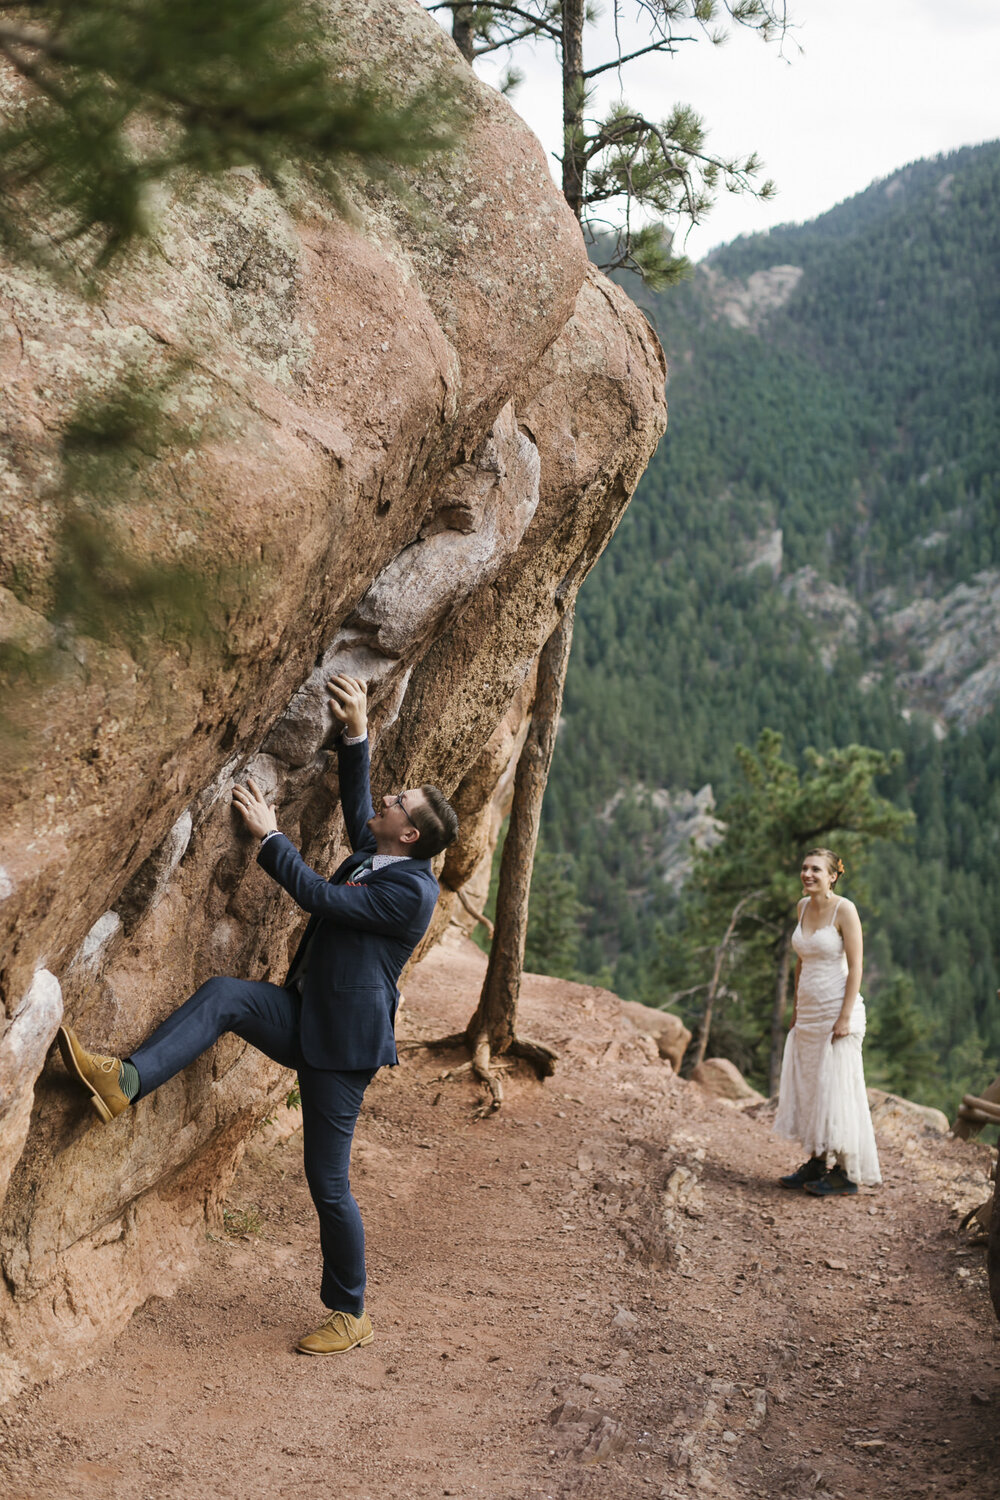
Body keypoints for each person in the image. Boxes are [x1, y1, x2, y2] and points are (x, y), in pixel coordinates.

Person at [56, 674, 458, 1355]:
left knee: (328, 1186)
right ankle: (123, 1083)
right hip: (306, 1017)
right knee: (225, 996)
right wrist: (357, 732)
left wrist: (271, 838)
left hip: (343, 1050)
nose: (387, 801)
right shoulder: (383, 854)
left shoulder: (411, 894)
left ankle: (350, 1312)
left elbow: (320, 899)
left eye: (398, 803)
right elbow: (361, 816)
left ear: (410, 832)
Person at [773, 847, 881, 1196]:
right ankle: (817, 1162)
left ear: (833, 875)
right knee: (811, 1086)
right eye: (804, 868)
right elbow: (801, 962)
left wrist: (845, 1016)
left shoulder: (844, 909)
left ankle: (847, 1174)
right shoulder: (802, 907)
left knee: (838, 1088)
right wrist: (795, 1009)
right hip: (808, 1012)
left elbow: (857, 966)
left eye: (816, 870)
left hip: (837, 1009)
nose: (807, 874)